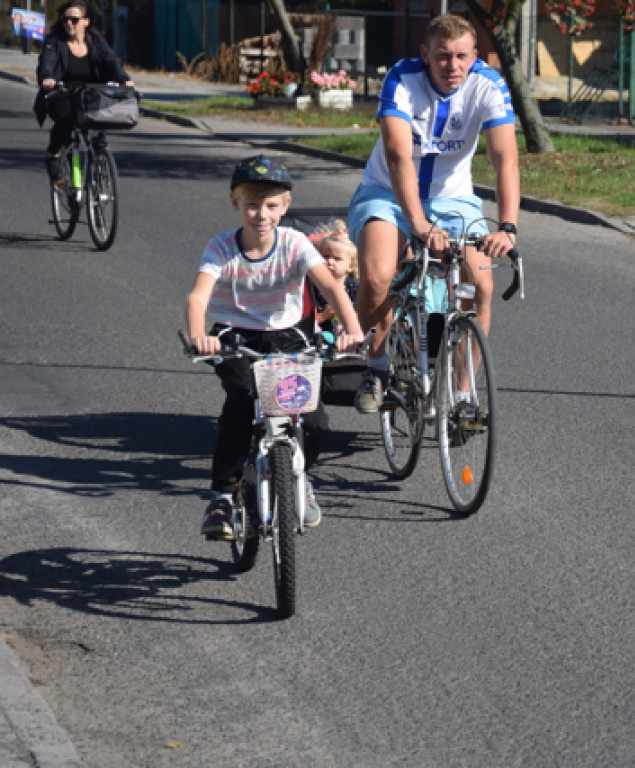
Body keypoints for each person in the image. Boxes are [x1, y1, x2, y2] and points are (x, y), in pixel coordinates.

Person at [347, 13, 520, 414]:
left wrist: (508, 227)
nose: (452, 66)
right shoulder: (402, 78)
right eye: (443, 56)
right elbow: (396, 154)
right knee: (376, 276)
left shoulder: (487, 85)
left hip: (453, 199)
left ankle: (462, 394)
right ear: (425, 54)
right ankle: (375, 361)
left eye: (461, 56)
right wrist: (419, 225)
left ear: (475, 56)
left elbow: (505, 159)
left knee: (481, 288)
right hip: (386, 192)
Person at [185, 155, 364, 539]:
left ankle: (303, 477)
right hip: (234, 335)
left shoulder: (295, 243)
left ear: (285, 207)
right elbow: (199, 296)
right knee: (241, 401)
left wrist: (352, 329)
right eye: (251, 204)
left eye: (270, 205)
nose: (260, 214)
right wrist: (201, 335)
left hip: (286, 334)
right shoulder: (220, 247)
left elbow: (332, 286)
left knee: (314, 420)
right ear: (235, 203)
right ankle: (222, 496)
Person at [33, 0, 134, 181]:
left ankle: (98, 174)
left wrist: (124, 79)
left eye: (74, 19)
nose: (69, 24)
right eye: (65, 19)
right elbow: (47, 62)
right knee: (66, 120)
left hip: (90, 93)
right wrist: (47, 79)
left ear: (86, 21)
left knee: (100, 122)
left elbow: (111, 61)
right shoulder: (55, 41)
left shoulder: (96, 42)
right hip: (61, 92)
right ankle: (53, 154)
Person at [308, 219, 360, 332]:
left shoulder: (356, 288)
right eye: (325, 257)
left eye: (337, 259)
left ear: (351, 265)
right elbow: (303, 321)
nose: (330, 262)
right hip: (319, 337)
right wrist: (322, 316)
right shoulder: (312, 288)